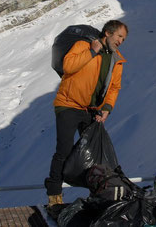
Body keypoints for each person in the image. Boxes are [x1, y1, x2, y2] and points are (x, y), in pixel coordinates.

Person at [45, 20, 128, 207]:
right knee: (64, 150)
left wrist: (107, 108)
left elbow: (114, 87)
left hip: (91, 110)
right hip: (68, 105)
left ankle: (100, 193)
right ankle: (54, 196)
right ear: (107, 33)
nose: (121, 41)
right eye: (119, 36)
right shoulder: (84, 45)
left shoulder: (117, 59)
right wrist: (92, 51)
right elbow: (68, 66)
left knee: (95, 152)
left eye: (124, 38)